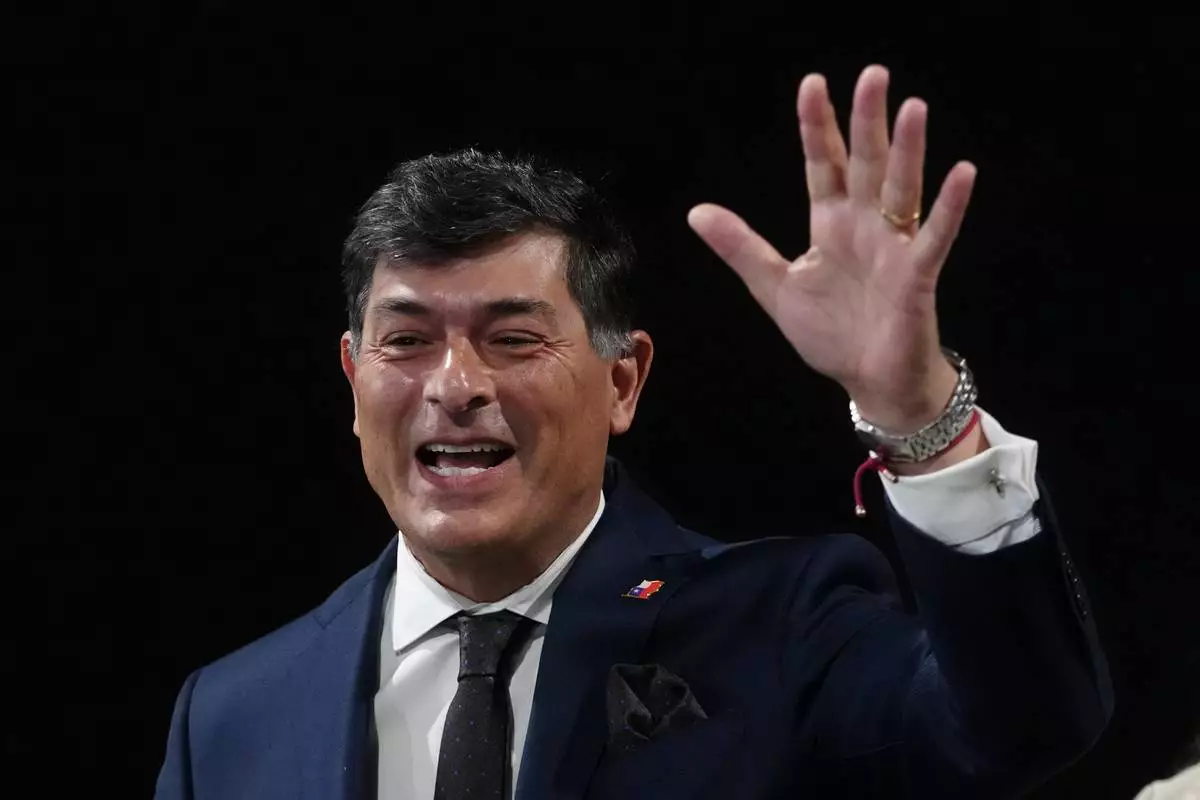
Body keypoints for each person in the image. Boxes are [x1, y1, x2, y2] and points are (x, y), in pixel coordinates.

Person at [155, 65, 1113, 799]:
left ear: (624, 381)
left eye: (513, 338)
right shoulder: (232, 715)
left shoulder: (780, 624)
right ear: (353, 376)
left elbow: (1021, 730)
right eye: (406, 340)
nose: (455, 386)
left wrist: (919, 415)